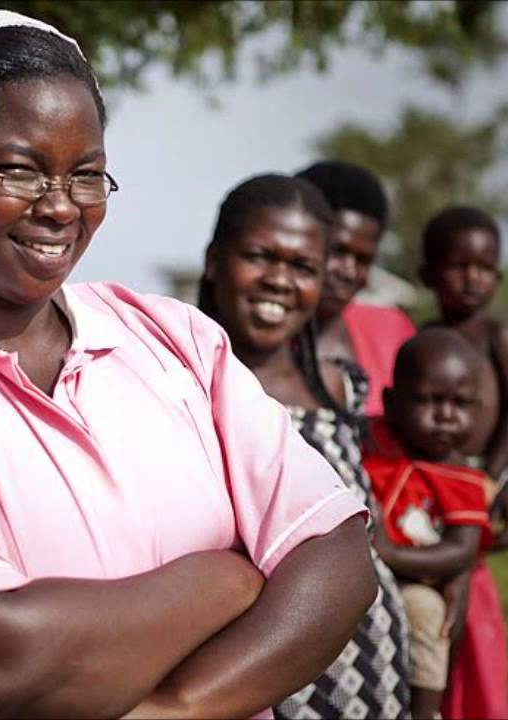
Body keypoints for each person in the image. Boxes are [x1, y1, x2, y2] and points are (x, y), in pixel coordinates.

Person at [0, 9, 377, 719]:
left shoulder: (177, 341)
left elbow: (339, 557)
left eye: (87, 176)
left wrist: (177, 709)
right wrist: (227, 580)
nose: (60, 207)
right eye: (19, 169)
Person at [196, 173, 412, 719]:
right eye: (260, 257)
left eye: (302, 267)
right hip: (268, 684)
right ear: (215, 260)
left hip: (378, 672)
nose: (279, 281)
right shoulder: (186, 391)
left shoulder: (339, 387)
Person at [418, 205, 508, 718]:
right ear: (428, 275)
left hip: (476, 479)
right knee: (434, 588)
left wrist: (493, 474)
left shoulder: (495, 336)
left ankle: (477, 701)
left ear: (498, 276)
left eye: (485, 268)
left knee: (469, 583)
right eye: (458, 266)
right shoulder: (424, 340)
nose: (472, 278)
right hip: (432, 482)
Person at [362, 328, 493, 720]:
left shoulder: (463, 479)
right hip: (355, 573)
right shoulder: (373, 440)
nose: (446, 414)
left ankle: (424, 712)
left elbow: (461, 550)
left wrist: (390, 554)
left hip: (416, 581)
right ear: (392, 403)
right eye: (429, 400)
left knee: (431, 617)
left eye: (460, 403)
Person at [294, 161, 417, 418]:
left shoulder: (392, 333)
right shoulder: (255, 340)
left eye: (363, 259)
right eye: (337, 251)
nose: (348, 271)